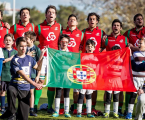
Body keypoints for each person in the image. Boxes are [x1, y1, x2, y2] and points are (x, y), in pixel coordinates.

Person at [0, 37, 43, 120]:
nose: (24, 48)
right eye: (21, 46)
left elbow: (37, 68)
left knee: (24, 117)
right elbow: (23, 74)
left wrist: (41, 57)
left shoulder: (30, 58)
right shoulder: (15, 60)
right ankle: (10, 112)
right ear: (16, 46)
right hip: (15, 86)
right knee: (11, 90)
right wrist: (34, 84)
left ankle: (14, 114)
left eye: (25, 46)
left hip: (25, 88)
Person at [35, 5, 62, 113]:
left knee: (51, 82)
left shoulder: (59, 26)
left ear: (55, 15)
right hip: (43, 57)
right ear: (46, 14)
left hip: (54, 58)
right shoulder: (39, 27)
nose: (51, 14)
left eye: (53, 12)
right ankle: (34, 107)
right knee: (40, 81)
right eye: (49, 12)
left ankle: (50, 107)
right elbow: (32, 39)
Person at [80, 12, 106, 115]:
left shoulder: (102, 32)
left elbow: (105, 47)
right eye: (90, 19)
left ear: (97, 21)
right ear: (88, 21)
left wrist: (101, 51)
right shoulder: (83, 32)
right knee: (84, 85)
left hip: (96, 63)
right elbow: (79, 45)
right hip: (85, 62)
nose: (92, 21)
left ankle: (92, 107)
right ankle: (84, 108)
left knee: (94, 86)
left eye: (93, 19)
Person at [102, 19, 128, 118]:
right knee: (107, 91)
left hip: (120, 69)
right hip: (109, 70)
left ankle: (118, 110)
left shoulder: (125, 39)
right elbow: (101, 50)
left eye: (118, 25)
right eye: (114, 25)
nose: (116, 27)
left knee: (119, 91)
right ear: (112, 27)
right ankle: (106, 110)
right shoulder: (106, 38)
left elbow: (127, 52)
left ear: (120, 28)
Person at [123, 14, 145, 115]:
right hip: (133, 63)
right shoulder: (128, 32)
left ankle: (142, 113)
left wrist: (135, 48)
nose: (140, 20)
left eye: (141, 19)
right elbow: (121, 40)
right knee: (130, 90)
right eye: (138, 19)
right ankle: (127, 110)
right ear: (134, 21)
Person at [62, 14, 84, 115]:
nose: (72, 21)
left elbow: (85, 46)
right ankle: (62, 108)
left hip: (75, 63)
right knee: (62, 86)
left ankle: (75, 107)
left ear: (77, 22)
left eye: (74, 20)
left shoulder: (81, 33)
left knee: (76, 88)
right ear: (67, 22)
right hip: (63, 62)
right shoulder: (62, 32)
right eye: (70, 20)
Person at [126, 36, 145, 119]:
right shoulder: (135, 53)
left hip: (144, 79)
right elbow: (134, 66)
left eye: (141, 43)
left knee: (142, 97)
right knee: (134, 95)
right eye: (138, 43)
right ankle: (129, 112)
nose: (139, 44)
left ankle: (143, 113)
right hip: (136, 77)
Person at [52, 34, 71, 118]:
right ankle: (56, 110)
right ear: (60, 42)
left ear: (68, 43)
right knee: (58, 92)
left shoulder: (71, 54)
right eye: (63, 42)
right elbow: (53, 65)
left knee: (67, 93)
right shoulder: (56, 53)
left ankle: (66, 111)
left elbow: (72, 64)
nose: (64, 43)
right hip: (59, 75)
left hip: (67, 76)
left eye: (66, 42)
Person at [76, 39, 95, 118]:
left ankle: (89, 112)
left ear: (94, 48)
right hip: (83, 78)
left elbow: (97, 67)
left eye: (91, 46)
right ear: (85, 48)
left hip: (91, 79)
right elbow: (78, 67)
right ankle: (79, 112)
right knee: (81, 95)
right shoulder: (82, 56)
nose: (90, 48)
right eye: (88, 46)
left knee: (89, 95)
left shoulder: (96, 57)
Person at [24, 31, 41, 116]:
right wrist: (26, 55)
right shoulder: (23, 48)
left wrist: (38, 75)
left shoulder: (37, 50)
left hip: (33, 74)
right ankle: (23, 109)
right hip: (24, 75)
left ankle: (31, 110)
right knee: (23, 92)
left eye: (26, 38)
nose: (25, 40)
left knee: (31, 92)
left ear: (32, 40)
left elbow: (39, 63)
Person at [0, 34, 17, 114]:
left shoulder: (16, 52)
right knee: (2, 91)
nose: (8, 42)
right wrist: (9, 59)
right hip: (3, 74)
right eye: (6, 40)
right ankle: (2, 108)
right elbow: (1, 61)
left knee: (12, 92)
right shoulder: (1, 51)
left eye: (10, 40)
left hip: (12, 75)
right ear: (3, 41)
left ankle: (10, 108)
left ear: (13, 42)